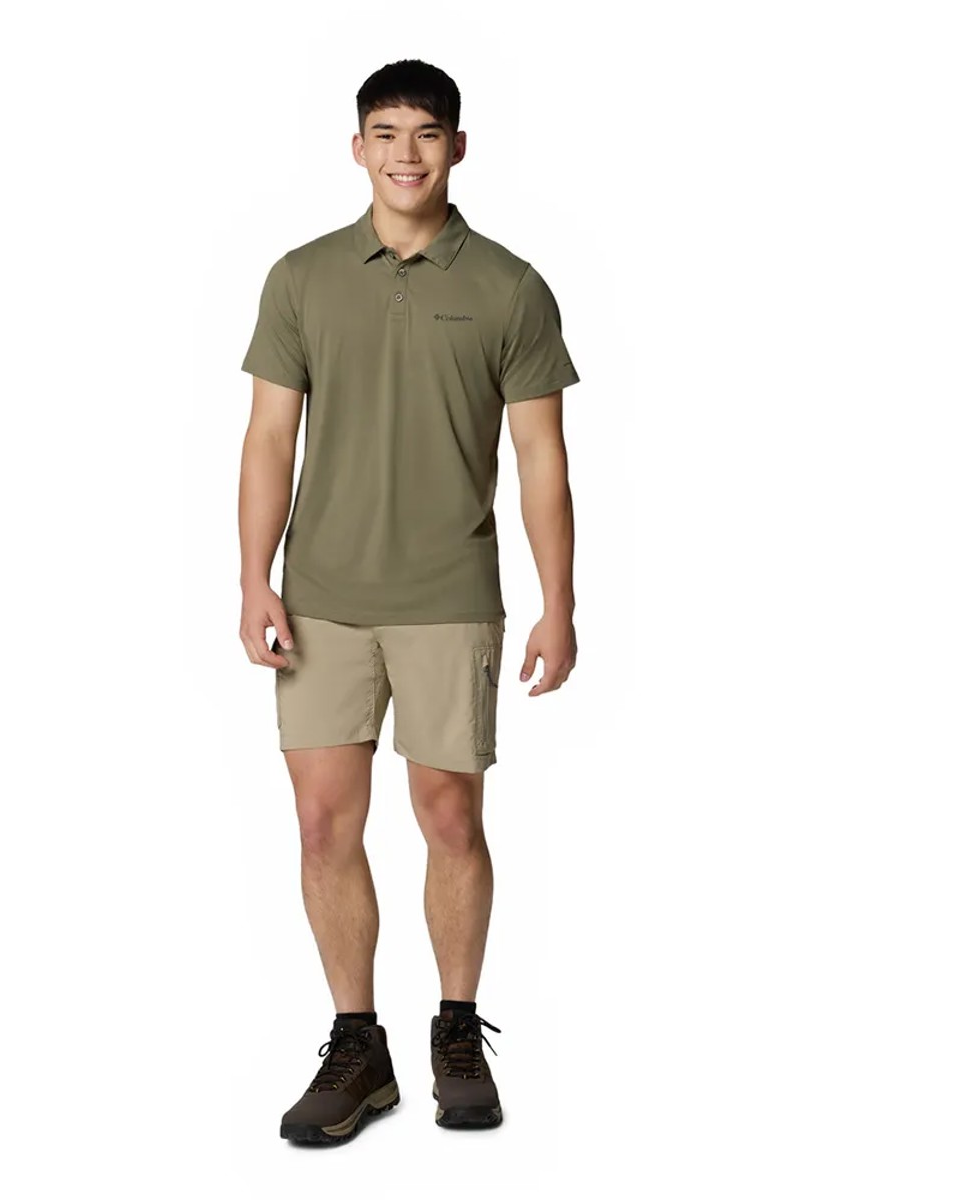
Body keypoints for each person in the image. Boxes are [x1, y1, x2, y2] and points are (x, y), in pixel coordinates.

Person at [237, 58, 580, 1145]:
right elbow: (269, 438)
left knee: (449, 818)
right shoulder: (301, 278)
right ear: (357, 149)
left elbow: (541, 458)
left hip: (449, 597)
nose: (405, 153)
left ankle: (456, 1030)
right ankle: (358, 1047)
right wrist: (252, 579)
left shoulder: (512, 288)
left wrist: (559, 603)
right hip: (322, 600)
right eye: (385, 133)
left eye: (426, 133)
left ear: (457, 148)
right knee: (322, 824)